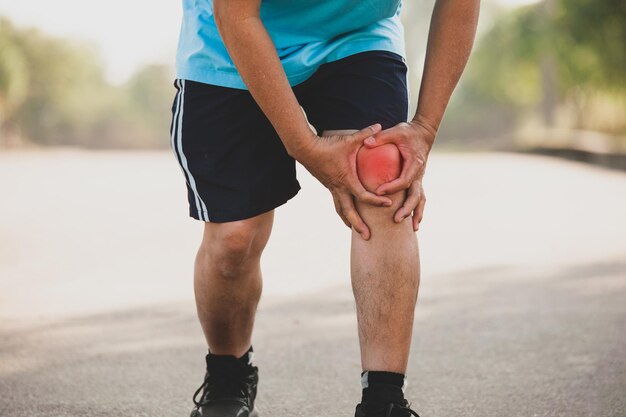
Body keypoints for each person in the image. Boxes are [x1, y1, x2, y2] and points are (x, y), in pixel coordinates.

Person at [170, 0, 479, 416]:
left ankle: (383, 399)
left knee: (384, 179)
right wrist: (306, 147)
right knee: (234, 239)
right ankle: (228, 376)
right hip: (229, 44)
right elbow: (236, 14)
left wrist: (424, 128)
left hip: (354, 36)